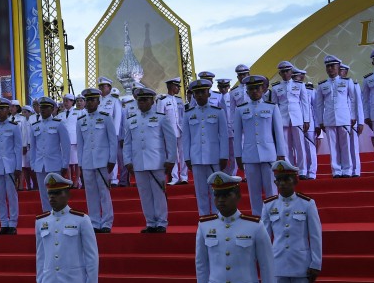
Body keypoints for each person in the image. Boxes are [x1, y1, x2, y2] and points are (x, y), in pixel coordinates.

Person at [261, 160, 322, 283]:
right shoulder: (269, 205)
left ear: (295, 181)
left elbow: (315, 237)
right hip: (278, 263)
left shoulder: (307, 204)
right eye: (278, 180)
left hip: (301, 263)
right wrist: (264, 264)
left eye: (286, 180)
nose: (282, 184)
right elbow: (263, 238)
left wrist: (315, 263)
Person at [123, 87, 176, 233]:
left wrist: (171, 159)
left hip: (157, 161)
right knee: (145, 194)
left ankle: (161, 222)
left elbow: (170, 140)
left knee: (158, 193)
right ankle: (150, 222)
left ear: (152, 101)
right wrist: (127, 161)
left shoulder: (161, 117)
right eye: (140, 100)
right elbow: (127, 142)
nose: (142, 103)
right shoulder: (131, 120)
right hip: (138, 162)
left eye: (145, 100)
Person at [236, 75, 287, 217]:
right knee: (254, 191)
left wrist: (281, 153)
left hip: (269, 155)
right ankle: (257, 217)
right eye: (250, 89)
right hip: (250, 155)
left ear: (263, 89)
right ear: (246, 91)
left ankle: (274, 216)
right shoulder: (241, 109)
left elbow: (278, 132)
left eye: (256, 88)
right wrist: (238, 155)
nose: (254, 92)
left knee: (271, 189)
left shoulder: (272, 107)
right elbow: (238, 135)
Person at [182, 79, 231, 217]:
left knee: (215, 189)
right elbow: (186, 138)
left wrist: (224, 156)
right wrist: (187, 157)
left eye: (202, 92)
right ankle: (203, 217)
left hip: (214, 157)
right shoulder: (188, 113)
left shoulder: (218, 112)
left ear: (208, 94)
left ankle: (218, 216)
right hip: (196, 157)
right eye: (196, 93)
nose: (199, 95)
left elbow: (223, 135)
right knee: (200, 191)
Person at [76, 88, 117, 233]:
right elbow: (80, 145)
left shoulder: (106, 117)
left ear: (98, 101)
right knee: (91, 193)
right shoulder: (81, 120)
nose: (89, 103)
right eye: (87, 100)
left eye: (92, 100)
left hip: (102, 160)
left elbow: (113, 140)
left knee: (104, 192)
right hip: (87, 161)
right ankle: (94, 222)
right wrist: (80, 164)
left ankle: (106, 222)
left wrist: (112, 159)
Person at [315, 54, 358, 178]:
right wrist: (320, 121)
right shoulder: (322, 85)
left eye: (332, 66)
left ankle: (347, 170)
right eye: (328, 66)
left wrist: (353, 116)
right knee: (333, 146)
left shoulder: (347, 81)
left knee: (345, 145)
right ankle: (336, 171)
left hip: (344, 118)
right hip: (329, 118)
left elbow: (353, 100)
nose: (330, 69)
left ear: (338, 67)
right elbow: (319, 105)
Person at [29, 97, 71, 213]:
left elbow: (66, 146)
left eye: (46, 107)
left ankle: (59, 216)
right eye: (41, 107)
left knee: (56, 193)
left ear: (52, 109)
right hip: (40, 165)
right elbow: (32, 147)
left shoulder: (58, 124)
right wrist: (33, 164)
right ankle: (47, 216)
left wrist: (65, 164)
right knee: (44, 193)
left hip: (54, 164)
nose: (42, 110)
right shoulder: (34, 125)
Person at [0, 97, 22, 235]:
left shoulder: (14, 127)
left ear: (8, 110)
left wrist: (18, 167)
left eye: (2, 109)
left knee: (12, 195)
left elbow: (18, 148)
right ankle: (3, 223)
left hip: (10, 165)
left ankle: (13, 223)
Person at [271, 61, 310, 172]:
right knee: (285, 146)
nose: (285, 74)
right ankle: (290, 169)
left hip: (297, 118)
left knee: (300, 146)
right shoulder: (276, 87)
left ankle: (302, 170)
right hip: (282, 119)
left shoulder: (299, 85)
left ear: (291, 71)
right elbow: (275, 106)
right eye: (282, 72)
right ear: (280, 73)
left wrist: (306, 119)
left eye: (287, 71)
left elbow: (305, 103)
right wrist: (275, 122)